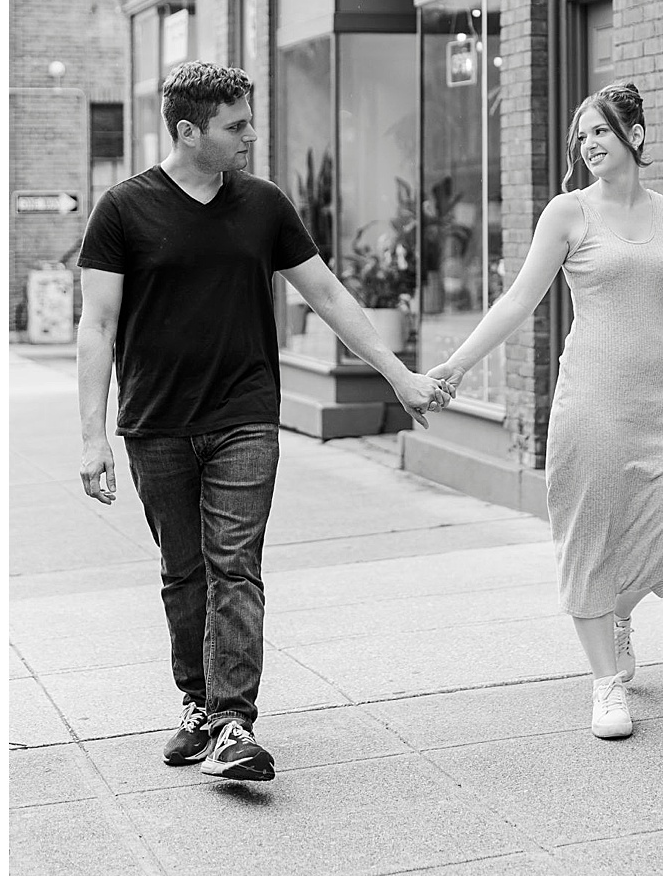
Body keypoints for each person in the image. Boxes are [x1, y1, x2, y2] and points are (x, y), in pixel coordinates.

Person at [77, 62, 455, 784]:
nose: (252, 134)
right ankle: (197, 703)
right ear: (189, 132)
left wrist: (398, 374)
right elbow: (97, 325)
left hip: (246, 415)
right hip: (155, 424)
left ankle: (232, 723)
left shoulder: (265, 204)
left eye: (250, 120)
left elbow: (331, 297)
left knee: (236, 569)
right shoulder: (123, 209)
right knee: (183, 573)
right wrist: (92, 436)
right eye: (236, 125)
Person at [429, 82, 663, 740]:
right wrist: (457, 364)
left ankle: (615, 615)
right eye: (582, 135)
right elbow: (516, 302)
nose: (588, 144)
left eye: (602, 132)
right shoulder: (568, 213)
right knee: (589, 538)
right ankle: (605, 684)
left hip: (659, 400)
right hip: (590, 398)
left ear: (635, 137)